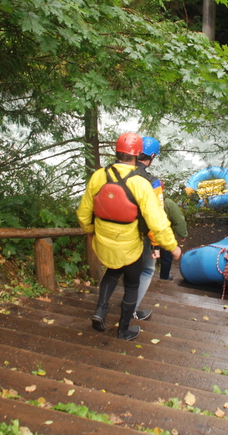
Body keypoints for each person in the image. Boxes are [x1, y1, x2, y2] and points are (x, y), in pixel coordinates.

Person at [76, 132, 182, 341]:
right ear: (137, 156)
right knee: (132, 284)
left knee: (112, 273)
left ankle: (100, 312)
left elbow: (82, 212)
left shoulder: (99, 175)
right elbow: (157, 221)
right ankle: (123, 330)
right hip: (129, 245)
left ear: (117, 151)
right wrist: (172, 246)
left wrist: (89, 230)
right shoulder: (141, 183)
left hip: (104, 241)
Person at [132, 136, 166, 321]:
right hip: (143, 232)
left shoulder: (121, 171)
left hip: (121, 229)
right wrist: (156, 244)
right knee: (147, 270)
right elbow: (156, 214)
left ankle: (102, 308)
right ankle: (132, 310)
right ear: (152, 156)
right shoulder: (152, 181)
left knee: (121, 269)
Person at [159, 197, 188, 280]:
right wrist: (183, 234)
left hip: (147, 235)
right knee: (166, 257)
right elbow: (178, 220)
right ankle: (164, 277)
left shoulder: (144, 199)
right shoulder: (168, 203)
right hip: (165, 235)